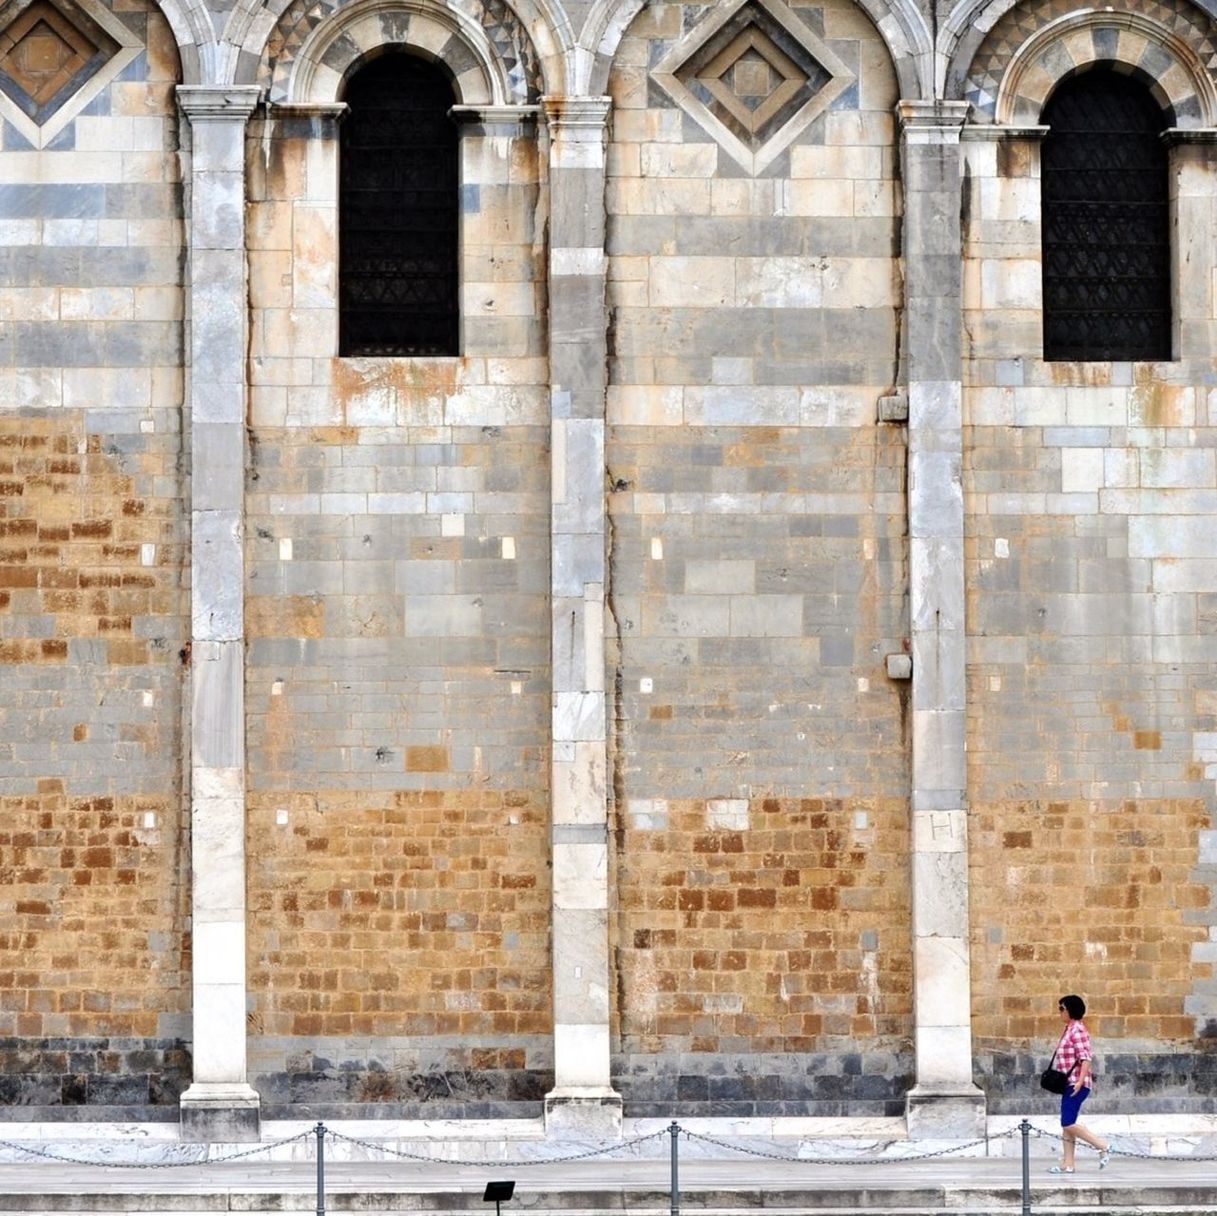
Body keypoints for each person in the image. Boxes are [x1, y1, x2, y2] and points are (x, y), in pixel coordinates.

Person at [1048, 994, 1112, 1173]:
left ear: (1071, 1010)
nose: (1059, 1012)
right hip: (1069, 1082)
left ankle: (1103, 1145)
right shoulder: (1069, 1029)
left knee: (1068, 1123)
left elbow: (1085, 1058)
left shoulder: (1078, 1031)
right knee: (1067, 1124)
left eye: (1062, 1009)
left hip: (1076, 1083)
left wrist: (1080, 1081)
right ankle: (1068, 1164)